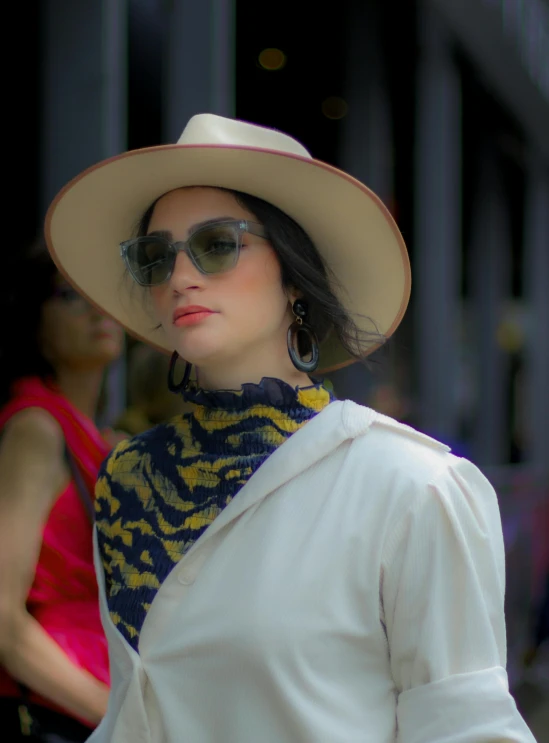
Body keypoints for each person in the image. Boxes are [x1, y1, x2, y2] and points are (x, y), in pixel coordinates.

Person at [44, 114, 535, 742]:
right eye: (154, 256)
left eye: (217, 244)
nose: (180, 275)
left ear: (294, 277)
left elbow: (467, 728)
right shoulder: (129, 478)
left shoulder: (415, 486)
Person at [0, 240, 124, 741]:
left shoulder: (97, 439)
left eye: (99, 292)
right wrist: (116, 719)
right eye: (69, 296)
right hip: (57, 711)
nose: (96, 308)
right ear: (36, 328)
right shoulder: (36, 429)